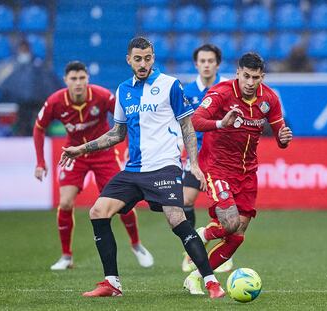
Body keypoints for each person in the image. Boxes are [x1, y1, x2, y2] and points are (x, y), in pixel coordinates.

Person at [59, 37, 225, 298]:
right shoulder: (123, 90)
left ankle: (211, 281)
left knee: (176, 220)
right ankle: (112, 283)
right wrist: (82, 148)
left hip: (164, 167)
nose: (143, 63)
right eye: (138, 59)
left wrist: (194, 164)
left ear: (153, 57)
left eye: (148, 58)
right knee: (98, 211)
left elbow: (187, 126)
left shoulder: (170, 85)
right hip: (134, 170)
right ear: (129, 60)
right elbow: (116, 133)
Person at [183, 52, 293, 294]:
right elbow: (196, 121)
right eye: (246, 76)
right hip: (218, 168)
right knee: (231, 223)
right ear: (238, 73)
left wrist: (284, 139)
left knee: (237, 236)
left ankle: (196, 276)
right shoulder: (222, 93)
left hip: (248, 173)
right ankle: (203, 233)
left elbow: (280, 135)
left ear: (262, 77)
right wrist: (221, 123)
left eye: (255, 77)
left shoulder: (270, 99)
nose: (250, 83)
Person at [33, 61, 154, 271]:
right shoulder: (55, 101)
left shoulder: (102, 95)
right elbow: (39, 128)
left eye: (81, 78)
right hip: (73, 154)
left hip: (103, 154)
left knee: (123, 204)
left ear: (87, 78)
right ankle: (66, 256)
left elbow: (126, 118)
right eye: (73, 79)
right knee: (66, 203)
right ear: (66, 81)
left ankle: (136, 245)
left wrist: (131, 146)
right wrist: (41, 162)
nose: (78, 83)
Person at [181, 44, 233, 273]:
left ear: (217, 64)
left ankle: (223, 252)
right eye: (202, 61)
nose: (206, 65)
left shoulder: (228, 88)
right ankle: (190, 251)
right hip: (196, 154)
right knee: (185, 201)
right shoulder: (186, 91)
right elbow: (180, 122)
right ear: (196, 64)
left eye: (210, 61)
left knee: (224, 207)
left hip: (222, 156)